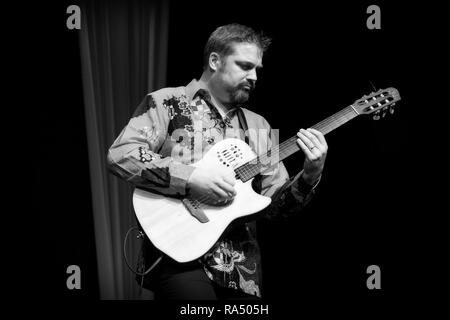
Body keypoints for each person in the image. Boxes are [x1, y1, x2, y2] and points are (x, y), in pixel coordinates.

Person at [107, 23, 328, 300]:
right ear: (215, 61)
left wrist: (309, 176)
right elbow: (122, 154)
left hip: (241, 272)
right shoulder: (167, 103)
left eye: (257, 69)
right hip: (176, 255)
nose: (254, 76)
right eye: (245, 66)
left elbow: (275, 208)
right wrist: (190, 178)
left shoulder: (260, 126)